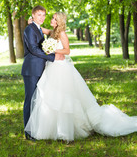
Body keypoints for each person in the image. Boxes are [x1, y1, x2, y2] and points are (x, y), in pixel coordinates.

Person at [25, 12, 137, 141]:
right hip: (52, 67)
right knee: (51, 97)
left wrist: (53, 50)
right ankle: (52, 129)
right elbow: (40, 28)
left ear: (58, 21)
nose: (51, 19)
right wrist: (31, 21)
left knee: (63, 97)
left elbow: (67, 50)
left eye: (53, 18)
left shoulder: (62, 34)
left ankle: (64, 131)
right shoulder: (53, 32)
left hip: (61, 68)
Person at [21, 6, 64, 140]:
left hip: (40, 68)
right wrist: (52, 57)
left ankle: (35, 128)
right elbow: (33, 49)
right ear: (33, 15)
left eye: (43, 15)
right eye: (39, 15)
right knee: (30, 100)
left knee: (37, 100)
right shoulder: (29, 29)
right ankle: (28, 133)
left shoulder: (38, 29)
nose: (42, 17)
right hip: (31, 69)